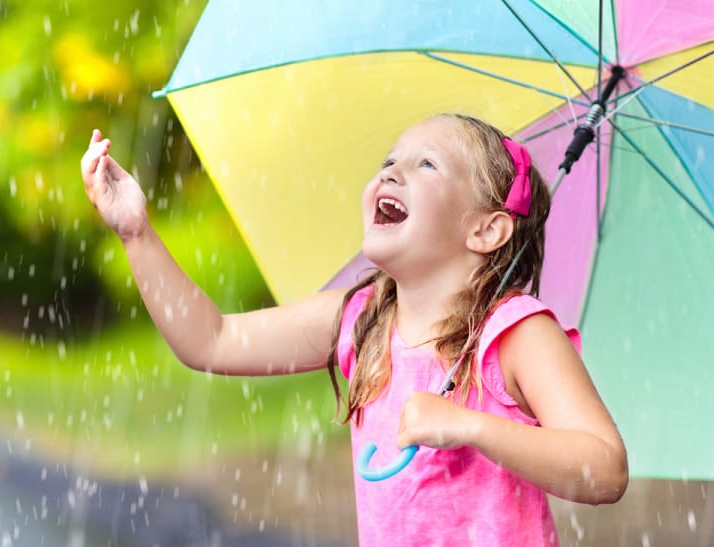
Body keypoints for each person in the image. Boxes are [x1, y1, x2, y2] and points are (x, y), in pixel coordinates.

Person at [80, 113, 628, 545]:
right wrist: (136, 233)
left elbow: (604, 469)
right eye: (390, 160)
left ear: (486, 229)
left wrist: (473, 427)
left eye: (426, 165)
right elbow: (210, 340)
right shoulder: (360, 320)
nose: (391, 172)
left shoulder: (515, 335)